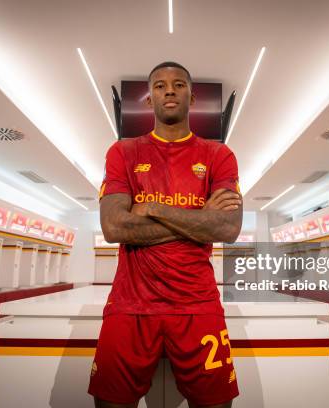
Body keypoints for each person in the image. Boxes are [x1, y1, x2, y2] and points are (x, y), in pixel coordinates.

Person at [88, 61, 242, 408]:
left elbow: (228, 228)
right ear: (149, 99)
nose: (168, 90)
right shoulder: (123, 152)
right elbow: (114, 228)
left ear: (192, 95)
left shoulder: (219, 155)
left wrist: (153, 208)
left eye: (177, 84)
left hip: (198, 303)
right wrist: (200, 218)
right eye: (159, 85)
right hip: (130, 304)